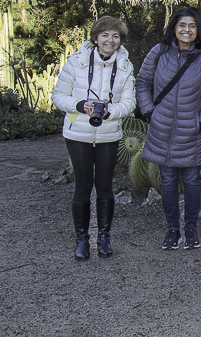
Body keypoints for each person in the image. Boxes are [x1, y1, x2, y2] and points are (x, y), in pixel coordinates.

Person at [52, 16, 136, 260]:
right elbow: (58, 96)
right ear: (96, 37)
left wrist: (112, 111)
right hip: (78, 133)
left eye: (116, 36)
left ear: (120, 41)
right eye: (105, 35)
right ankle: (81, 239)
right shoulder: (76, 62)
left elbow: (129, 103)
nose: (110, 40)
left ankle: (104, 237)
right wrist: (79, 105)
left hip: (109, 134)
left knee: (104, 187)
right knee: (83, 186)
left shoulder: (125, 66)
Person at [136, 7, 201, 251]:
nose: (187, 30)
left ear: (198, 30)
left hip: (192, 130)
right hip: (161, 127)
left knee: (192, 180)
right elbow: (143, 82)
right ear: (173, 27)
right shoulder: (159, 52)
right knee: (168, 180)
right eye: (182, 25)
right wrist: (149, 111)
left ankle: (191, 229)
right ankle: (173, 230)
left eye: (192, 26)